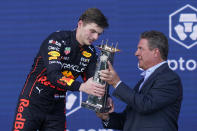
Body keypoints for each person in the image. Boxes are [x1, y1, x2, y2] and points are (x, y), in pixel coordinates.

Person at [12, 8, 109, 131]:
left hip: (57, 108)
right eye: (92, 31)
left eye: (99, 34)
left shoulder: (90, 52)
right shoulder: (56, 40)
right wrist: (82, 87)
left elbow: (93, 80)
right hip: (32, 103)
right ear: (80, 24)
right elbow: (53, 76)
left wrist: (105, 97)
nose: (95, 37)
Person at [97, 30, 183, 131]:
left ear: (155, 52)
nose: (136, 53)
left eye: (140, 49)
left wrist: (116, 83)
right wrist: (106, 117)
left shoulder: (169, 78)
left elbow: (145, 105)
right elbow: (127, 121)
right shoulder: (143, 82)